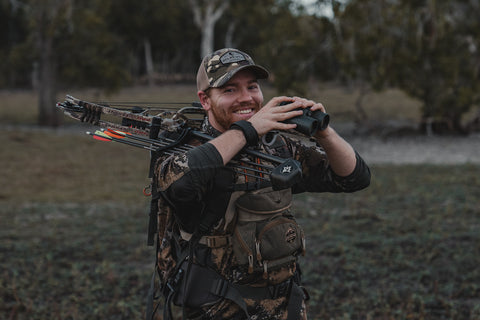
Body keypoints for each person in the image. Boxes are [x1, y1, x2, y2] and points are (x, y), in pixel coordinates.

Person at [150, 48, 371, 320]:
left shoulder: (277, 147)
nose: (246, 98)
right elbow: (180, 184)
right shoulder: (181, 151)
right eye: (229, 90)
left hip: (285, 306)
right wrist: (249, 130)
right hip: (219, 309)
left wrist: (325, 133)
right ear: (205, 100)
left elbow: (353, 178)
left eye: (252, 87)